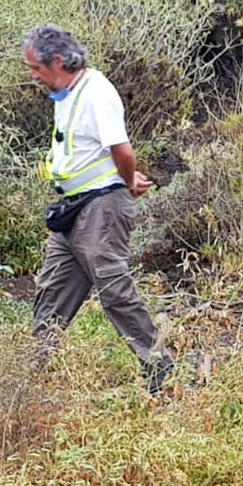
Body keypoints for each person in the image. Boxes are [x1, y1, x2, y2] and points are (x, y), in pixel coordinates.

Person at [24, 23, 173, 394]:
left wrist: (127, 180)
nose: (33, 76)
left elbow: (123, 151)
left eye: (36, 69)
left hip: (102, 207)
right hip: (72, 209)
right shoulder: (66, 93)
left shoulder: (97, 92)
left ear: (58, 61)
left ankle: (161, 370)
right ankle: (24, 382)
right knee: (52, 292)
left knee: (114, 291)